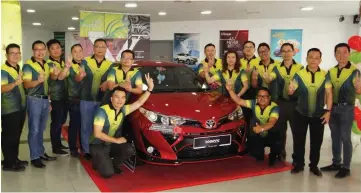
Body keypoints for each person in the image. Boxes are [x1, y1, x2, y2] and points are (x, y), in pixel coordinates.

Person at [90, 73, 154, 178]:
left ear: (125, 100)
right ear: (111, 98)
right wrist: (116, 140)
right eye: (117, 97)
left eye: (123, 98)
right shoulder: (102, 111)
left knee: (129, 149)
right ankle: (98, 160)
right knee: (107, 173)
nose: (120, 100)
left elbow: (138, 103)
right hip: (98, 145)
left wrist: (149, 89)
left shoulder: (123, 109)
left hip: (111, 144)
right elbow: (97, 134)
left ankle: (113, 164)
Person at [288, 48, 333, 176]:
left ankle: (313, 166)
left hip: (318, 114)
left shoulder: (325, 75)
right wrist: (290, 90)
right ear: (306, 58)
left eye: (316, 57)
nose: (313, 60)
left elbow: (329, 94)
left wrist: (328, 111)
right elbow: (291, 91)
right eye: (311, 57)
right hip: (300, 113)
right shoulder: (299, 74)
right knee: (299, 140)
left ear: (320, 60)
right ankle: (299, 164)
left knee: (316, 142)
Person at [320, 43, 361, 178]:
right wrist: (327, 109)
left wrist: (358, 87)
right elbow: (328, 92)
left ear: (349, 54)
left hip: (347, 109)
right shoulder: (330, 71)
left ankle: (346, 167)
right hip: (333, 108)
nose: (341, 55)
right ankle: (336, 163)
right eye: (338, 52)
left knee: (345, 137)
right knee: (335, 137)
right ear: (334, 54)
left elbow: (359, 90)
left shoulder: (355, 71)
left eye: (344, 52)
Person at [226, 83, 281, 166]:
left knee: (277, 143)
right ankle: (258, 152)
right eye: (259, 96)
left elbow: (271, 123)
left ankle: (273, 155)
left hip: (272, 133)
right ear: (256, 97)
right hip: (259, 132)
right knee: (257, 155)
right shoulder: (253, 103)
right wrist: (230, 90)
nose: (262, 98)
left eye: (264, 96)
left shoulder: (275, 107)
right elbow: (239, 101)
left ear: (269, 98)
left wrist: (261, 128)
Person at [23, 40, 56, 168]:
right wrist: (38, 81)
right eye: (37, 49)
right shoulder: (28, 65)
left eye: (42, 49)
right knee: (34, 129)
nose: (40, 52)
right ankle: (34, 157)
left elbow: (50, 82)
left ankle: (41, 152)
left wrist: (49, 101)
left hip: (44, 100)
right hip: (34, 99)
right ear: (33, 51)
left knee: (41, 129)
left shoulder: (47, 64)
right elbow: (26, 84)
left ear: (46, 51)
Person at [80, 38, 113, 160]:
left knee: (100, 126)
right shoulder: (85, 62)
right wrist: (80, 75)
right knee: (86, 126)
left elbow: (112, 78)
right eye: (97, 46)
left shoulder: (110, 64)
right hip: (86, 99)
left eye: (103, 47)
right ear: (93, 48)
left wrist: (107, 82)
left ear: (106, 49)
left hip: (103, 100)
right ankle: (86, 150)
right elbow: (79, 77)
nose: (100, 49)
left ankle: (97, 149)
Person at [270, 43, 303, 160]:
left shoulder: (300, 68)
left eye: (289, 50)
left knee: (297, 132)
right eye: (284, 51)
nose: (286, 53)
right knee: (280, 130)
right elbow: (272, 77)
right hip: (281, 103)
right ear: (280, 53)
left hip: (295, 104)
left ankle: (297, 157)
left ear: (294, 52)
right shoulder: (276, 67)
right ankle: (280, 152)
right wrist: (269, 77)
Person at [1, 43, 28, 172]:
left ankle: (13, 158)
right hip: (9, 109)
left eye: (18, 53)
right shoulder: (3, 70)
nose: (16, 55)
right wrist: (15, 83)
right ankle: (8, 163)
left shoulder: (18, 68)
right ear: (7, 55)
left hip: (19, 109)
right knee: (9, 136)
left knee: (16, 135)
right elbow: (2, 88)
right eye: (13, 53)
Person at [58, 44, 87, 157]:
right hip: (75, 100)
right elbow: (60, 77)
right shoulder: (69, 66)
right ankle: (73, 149)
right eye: (75, 51)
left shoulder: (86, 64)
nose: (78, 53)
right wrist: (66, 67)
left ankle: (84, 147)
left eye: (80, 51)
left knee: (85, 125)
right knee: (75, 125)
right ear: (72, 54)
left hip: (87, 100)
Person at [46, 39, 70, 156]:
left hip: (64, 97)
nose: (56, 50)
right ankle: (55, 147)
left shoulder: (62, 62)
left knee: (61, 121)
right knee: (56, 122)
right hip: (55, 98)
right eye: (52, 48)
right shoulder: (49, 64)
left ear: (61, 49)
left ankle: (58, 144)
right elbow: (54, 77)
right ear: (49, 51)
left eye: (57, 48)